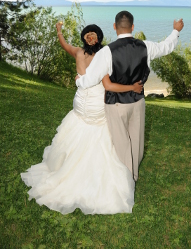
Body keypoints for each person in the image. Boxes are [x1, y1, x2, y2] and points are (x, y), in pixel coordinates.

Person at [21, 23, 143, 215]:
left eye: (92, 35)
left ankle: (68, 169)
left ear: (96, 37)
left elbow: (64, 45)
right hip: (95, 106)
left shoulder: (78, 52)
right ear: (93, 38)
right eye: (89, 35)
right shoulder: (104, 56)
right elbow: (111, 85)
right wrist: (132, 87)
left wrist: (59, 31)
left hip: (81, 104)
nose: (91, 38)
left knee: (79, 132)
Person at [76, 11, 184, 182]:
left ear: (114, 27)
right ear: (132, 27)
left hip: (116, 104)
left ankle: (126, 180)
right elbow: (166, 47)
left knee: (121, 144)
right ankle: (133, 174)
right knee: (137, 141)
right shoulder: (146, 46)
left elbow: (90, 79)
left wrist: (79, 81)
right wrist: (176, 31)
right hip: (138, 102)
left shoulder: (106, 52)